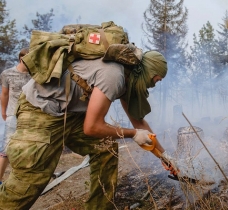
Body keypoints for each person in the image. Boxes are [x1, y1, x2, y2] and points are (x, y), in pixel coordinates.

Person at [0, 50, 178, 209]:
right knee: (33, 177)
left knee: (105, 148)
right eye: (156, 79)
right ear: (146, 71)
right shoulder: (114, 76)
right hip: (40, 108)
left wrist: (165, 157)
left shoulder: (128, 80)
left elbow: (139, 123)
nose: (154, 85)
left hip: (69, 113)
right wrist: (132, 135)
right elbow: (92, 127)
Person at [0, 48, 31, 185]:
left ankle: (22, 180)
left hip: (30, 116)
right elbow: (5, 94)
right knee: (7, 147)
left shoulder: (34, 75)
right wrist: (3, 111)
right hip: (13, 114)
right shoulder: (7, 74)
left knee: (27, 147)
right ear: (21, 59)